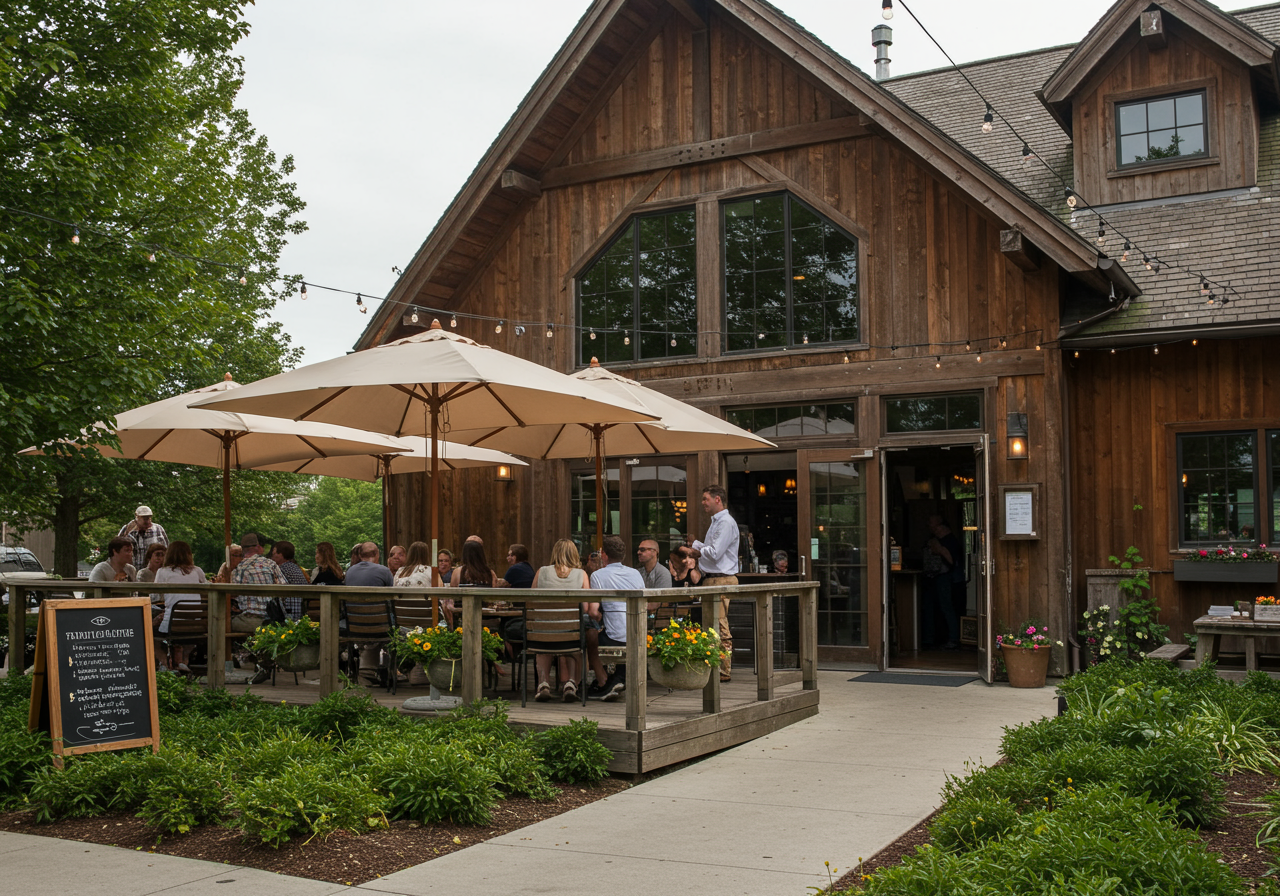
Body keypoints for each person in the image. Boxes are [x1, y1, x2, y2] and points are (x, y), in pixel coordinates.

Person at [688, 484, 739, 683]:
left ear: (717, 499)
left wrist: (695, 549)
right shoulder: (717, 522)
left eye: (705, 499)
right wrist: (697, 545)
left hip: (721, 578)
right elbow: (713, 550)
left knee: (719, 624)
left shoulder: (725, 522)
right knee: (711, 625)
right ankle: (714, 667)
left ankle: (724, 670)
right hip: (713, 578)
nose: (703, 503)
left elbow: (715, 553)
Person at [585, 534, 645, 701]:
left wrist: (601, 620)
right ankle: (616, 679)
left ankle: (604, 682)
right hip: (638, 634)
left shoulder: (598, 576)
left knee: (590, 637)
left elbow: (593, 612)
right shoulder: (635, 574)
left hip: (614, 638)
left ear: (604, 554)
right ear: (623, 555)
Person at [530, 538, 591, 702]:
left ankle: (543, 683)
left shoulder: (541, 571)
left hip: (542, 633)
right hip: (570, 635)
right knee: (574, 641)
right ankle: (571, 683)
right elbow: (585, 608)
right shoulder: (582, 574)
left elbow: (532, 600)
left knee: (544, 641)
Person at [230, 532, 287, 684]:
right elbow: (284, 588)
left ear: (243, 550)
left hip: (253, 619)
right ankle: (260, 661)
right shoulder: (271, 564)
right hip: (275, 619)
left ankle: (235, 661)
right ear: (257, 547)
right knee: (254, 629)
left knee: (222, 624)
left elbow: (233, 594)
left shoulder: (240, 568)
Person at [154, 541, 207, 672]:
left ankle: (166, 664)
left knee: (148, 635)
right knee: (186, 637)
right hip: (196, 625)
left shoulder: (162, 572)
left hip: (172, 624)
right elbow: (208, 587)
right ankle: (184, 661)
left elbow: (153, 597)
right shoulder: (197, 571)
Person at [924, 515, 963, 650]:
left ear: (942, 527)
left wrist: (939, 549)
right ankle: (933, 638)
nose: (932, 527)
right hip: (937, 578)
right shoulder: (935, 539)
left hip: (946, 578)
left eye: (935, 526)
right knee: (934, 608)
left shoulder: (949, 541)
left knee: (946, 608)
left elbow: (951, 561)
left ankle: (953, 638)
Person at [118, 505, 168, 570]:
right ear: (137, 517)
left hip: (152, 571)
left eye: (148, 518)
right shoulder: (127, 529)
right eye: (144, 518)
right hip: (131, 570)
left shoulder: (158, 529)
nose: (147, 521)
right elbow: (117, 547)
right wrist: (128, 532)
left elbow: (166, 549)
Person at [270, 540, 309, 620]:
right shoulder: (295, 567)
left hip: (290, 610)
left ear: (281, 555)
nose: (272, 557)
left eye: (274, 554)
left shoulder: (281, 569)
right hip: (301, 608)